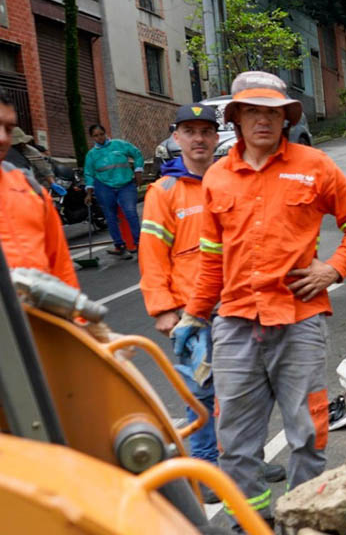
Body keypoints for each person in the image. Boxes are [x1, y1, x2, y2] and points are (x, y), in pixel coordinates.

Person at [176, 71, 346, 535]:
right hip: (236, 323)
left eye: (272, 112)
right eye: (252, 112)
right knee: (236, 441)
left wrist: (333, 269)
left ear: (285, 118)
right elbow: (211, 257)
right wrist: (193, 314)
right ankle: (253, 532)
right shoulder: (219, 177)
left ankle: (304, 523)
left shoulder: (314, 165)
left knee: (307, 430)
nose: (263, 120)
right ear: (238, 118)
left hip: (299, 319)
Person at [139, 103, 228, 476]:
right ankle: (206, 465)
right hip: (192, 313)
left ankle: (240, 456)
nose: (199, 139)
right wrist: (162, 308)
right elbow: (152, 253)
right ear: (176, 137)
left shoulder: (229, 180)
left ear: (216, 137)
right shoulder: (164, 192)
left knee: (243, 388)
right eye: (190, 132)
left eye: (206, 131)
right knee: (201, 391)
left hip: (236, 305)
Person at [0, 93, 78, 287]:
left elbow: (61, 269)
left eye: (8, 129)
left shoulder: (31, 191)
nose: (2, 138)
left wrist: (74, 317)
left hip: (37, 315)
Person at [84, 123, 144, 259]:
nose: (99, 138)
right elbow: (88, 173)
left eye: (101, 134)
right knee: (110, 216)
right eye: (95, 136)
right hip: (104, 187)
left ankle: (139, 242)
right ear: (92, 138)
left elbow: (137, 154)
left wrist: (138, 171)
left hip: (126, 184)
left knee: (130, 212)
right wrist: (89, 192)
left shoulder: (120, 145)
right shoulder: (91, 155)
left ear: (105, 133)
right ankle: (119, 245)